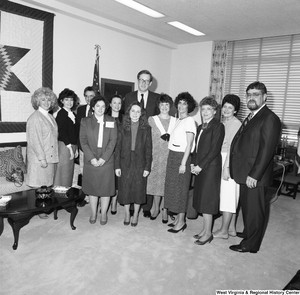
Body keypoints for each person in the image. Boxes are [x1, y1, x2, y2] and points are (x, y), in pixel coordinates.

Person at [229, 81, 281, 253]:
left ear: (264, 97)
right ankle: (249, 233)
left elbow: (266, 151)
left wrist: (255, 175)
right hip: (245, 172)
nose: (251, 98)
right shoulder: (253, 115)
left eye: (256, 94)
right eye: (249, 94)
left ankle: (250, 245)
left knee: (254, 210)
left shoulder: (269, 118)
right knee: (248, 208)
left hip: (254, 175)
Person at [123, 70, 160, 218]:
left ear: (150, 83)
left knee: (145, 174)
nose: (144, 83)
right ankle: (131, 206)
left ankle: (146, 206)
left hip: (147, 138)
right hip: (131, 136)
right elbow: (125, 117)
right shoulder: (129, 97)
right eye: (141, 80)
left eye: (147, 81)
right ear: (137, 80)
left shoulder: (156, 98)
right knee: (131, 175)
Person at [191, 97, 225, 245]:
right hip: (200, 167)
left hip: (210, 168)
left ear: (215, 111)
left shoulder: (218, 126)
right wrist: (193, 164)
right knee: (201, 199)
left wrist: (200, 166)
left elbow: (214, 150)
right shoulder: (201, 127)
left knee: (207, 201)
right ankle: (204, 230)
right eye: (203, 109)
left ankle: (208, 234)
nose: (205, 112)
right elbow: (196, 148)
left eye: (208, 109)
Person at [79, 95, 118, 225]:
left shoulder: (111, 120)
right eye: (98, 106)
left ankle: (103, 214)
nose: (100, 109)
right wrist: (92, 158)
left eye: (103, 106)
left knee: (106, 189)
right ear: (93, 107)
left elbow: (113, 141)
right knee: (93, 188)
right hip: (91, 159)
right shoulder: (85, 121)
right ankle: (93, 213)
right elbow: (83, 141)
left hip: (106, 159)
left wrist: (103, 158)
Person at [115, 102, 152, 227]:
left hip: (140, 162)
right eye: (133, 111)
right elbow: (117, 148)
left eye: (138, 111)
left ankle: (135, 214)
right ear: (128, 113)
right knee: (125, 188)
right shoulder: (121, 127)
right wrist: (117, 166)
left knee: (138, 189)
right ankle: (126, 213)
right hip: (125, 161)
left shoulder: (146, 128)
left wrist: (147, 167)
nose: (135, 114)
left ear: (141, 113)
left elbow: (148, 149)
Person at [164, 92, 197, 233]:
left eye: (185, 103)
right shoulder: (178, 120)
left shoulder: (189, 121)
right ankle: (178, 218)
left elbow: (189, 144)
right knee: (173, 189)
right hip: (173, 156)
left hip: (181, 158)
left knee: (181, 190)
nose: (181, 106)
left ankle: (182, 221)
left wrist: (183, 163)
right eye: (180, 102)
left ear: (189, 106)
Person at [26, 87, 59, 219]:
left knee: (46, 185)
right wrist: (42, 158)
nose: (46, 102)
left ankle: (42, 207)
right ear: (37, 101)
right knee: (38, 186)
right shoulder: (35, 118)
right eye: (43, 99)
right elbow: (34, 140)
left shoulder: (50, 116)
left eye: (49, 99)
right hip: (41, 158)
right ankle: (38, 210)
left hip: (50, 156)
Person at [212, 94, 241, 239]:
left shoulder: (235, 123)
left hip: (228, 160)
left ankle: (223, 231)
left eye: (230, 107)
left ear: (235, 110)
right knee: (230, 195)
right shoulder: (224, 122)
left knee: (228, 197)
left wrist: (226, 167)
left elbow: (232, 148)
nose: (226, 109)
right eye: (225, 106)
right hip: (224, 158)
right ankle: (231, 229)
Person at [147, 94, 176, 223]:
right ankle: (155, 206)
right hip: (155, 155)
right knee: (156, 182)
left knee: (167, 183)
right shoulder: (151, 120)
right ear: (158, 105)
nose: (164, 107)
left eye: (167, 104)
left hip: (170, 156)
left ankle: (165, 209)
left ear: (170, 106)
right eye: (162, 104)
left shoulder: (176, 121)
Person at [54, 88, 80, 187]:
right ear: (62, 101)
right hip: (65, 146)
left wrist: (76, 147)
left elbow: (75, 132)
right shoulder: (61, 114)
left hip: (71, 146)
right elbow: (62, 132)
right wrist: (70, 148)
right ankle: (60, 196)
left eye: (71, 100)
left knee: (69, 172)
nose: (69, 102)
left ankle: (66, 195)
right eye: (66, 99)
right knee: (63, 172)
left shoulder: (73, 114)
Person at [76, 86, 96, 207]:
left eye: (91, 96)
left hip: (95, 148)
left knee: (94, 172)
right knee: (83, 172)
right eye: (86, 96)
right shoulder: (80, 109)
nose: (88, 99)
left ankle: (95, 194)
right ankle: (86, 195)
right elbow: (78, 129)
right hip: (83, 146)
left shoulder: (100, 108)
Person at [106, 94, 123, 215]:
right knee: (107, 178)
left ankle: (114, 202)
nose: (117, 105)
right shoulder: (105, 118)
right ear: (110, 104)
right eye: (114, 103)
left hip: (121, 152)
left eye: (119, 103)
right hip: (108, 152)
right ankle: (105, 202)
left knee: (117, 180)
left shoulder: (125, 118)